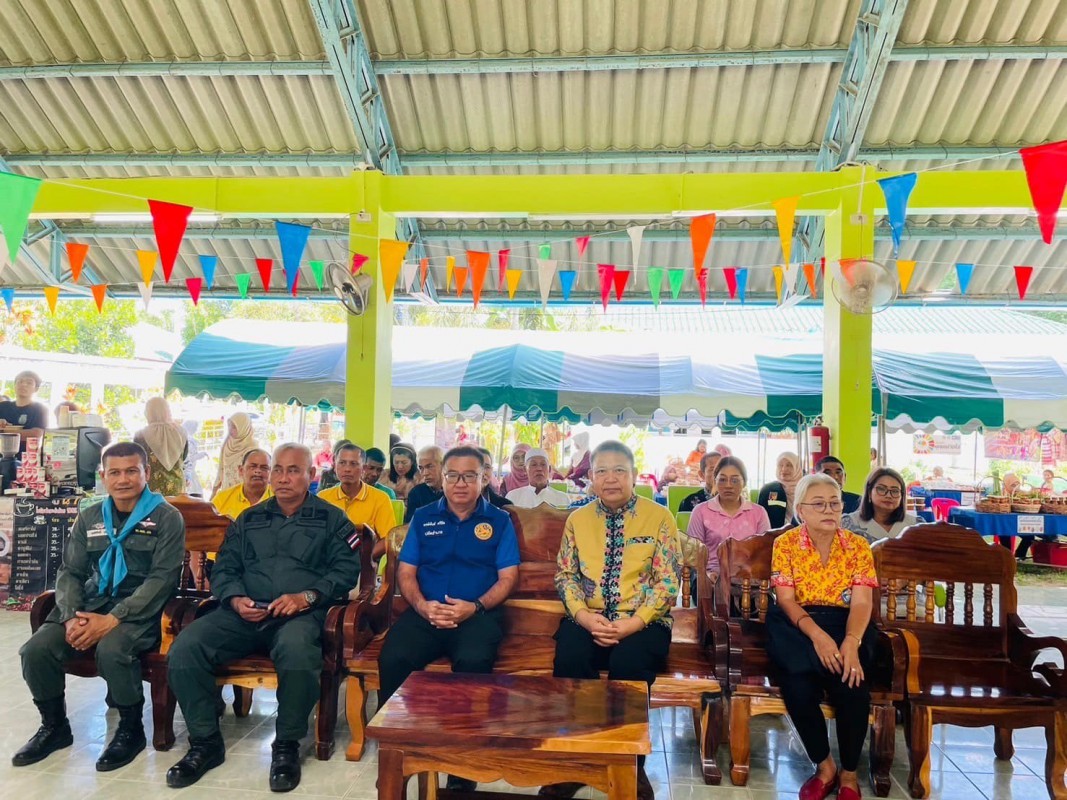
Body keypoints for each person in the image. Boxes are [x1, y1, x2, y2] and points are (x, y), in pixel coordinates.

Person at [166, 444, 360, 792]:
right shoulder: (249, 518)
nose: (284, 478)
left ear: (311, 476)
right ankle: (205, 742)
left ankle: (286, 745)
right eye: (278, 470)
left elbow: (346, 572)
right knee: (185, 648)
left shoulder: (332, 519)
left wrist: (307, 597)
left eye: (294, 470)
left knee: (298, 650)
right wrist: (235, 597)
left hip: (300, 616)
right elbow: (224, 567)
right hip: (244, 613)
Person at [14, 442, 185, 771]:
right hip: (91, 603)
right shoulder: (90, 515)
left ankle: (130, 730)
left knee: (112, 649)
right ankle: (54, 727)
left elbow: (162, 579)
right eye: (115, 473)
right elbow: (71, 572)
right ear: (104, 476)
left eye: (132, 471)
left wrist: (112, 619)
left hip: (142, 608)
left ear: (146, 474)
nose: (124, 480)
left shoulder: (167, 517)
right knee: (35, 651)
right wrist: (69, 617)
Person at [541, 440, 682, 800]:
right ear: (590, 478)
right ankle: (576, 761)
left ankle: (629, 764)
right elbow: (565, 576)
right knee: (570, 659)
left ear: (634, 475)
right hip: (587, 618)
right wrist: (585, 617)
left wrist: (634, 623)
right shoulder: (578, 519)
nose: (611, 478)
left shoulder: (659, 517)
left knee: (629, 663)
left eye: (619, 470)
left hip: (644, 623)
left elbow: (667, 581)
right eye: (602, 471)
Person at [377, 445, 520, 794]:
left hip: (476, 615)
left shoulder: (499, 520)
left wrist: (476, 606)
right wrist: (423, 606)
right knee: (394, 657)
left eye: (469, 476)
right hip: (426, 612)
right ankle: (398, 750)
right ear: (441, 478)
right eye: (452, 475)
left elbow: (508, 577)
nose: (460, 483)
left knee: (473, 661)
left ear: (483, 478)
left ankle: (462, 760)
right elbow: (406, 572)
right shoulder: (425, 517)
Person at [767, 473, 878, 800]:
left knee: (852, 685)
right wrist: (818, 637)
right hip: (799, 625)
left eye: (834, 503)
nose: (829, 510)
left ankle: (849, 773)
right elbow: (786, 600)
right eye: (819, 504)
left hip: (847, 625)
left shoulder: (858, 546)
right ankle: (825, 766)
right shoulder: (785, 544)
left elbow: (862, 602)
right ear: (801, 510)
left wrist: (851, 641)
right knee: (797, 686)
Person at [685, 456, 771, 577]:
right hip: (710, 576)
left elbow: (764, 554)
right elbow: (693, 553)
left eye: (735, 480)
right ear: (715, 481)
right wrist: (707, 574)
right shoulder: (701, 511)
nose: (728, 485)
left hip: (747, 578)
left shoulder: (758, 513)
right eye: (723, 480)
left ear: (744, 482)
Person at [317, 444, 397, 539]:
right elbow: (315, 535)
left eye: (353, 464)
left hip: (366, 552)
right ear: (334, 466)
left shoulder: (380, 499)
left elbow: (387, 538)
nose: (347, 469)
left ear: (363, 468)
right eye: (342, 463)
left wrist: (365, 554)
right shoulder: (323, 497)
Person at [841, 468, 918, 543]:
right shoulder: (849, 524)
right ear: (869, 492)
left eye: (895, 491)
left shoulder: (915, 525)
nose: (888, 495)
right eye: (881, 489)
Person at [133, 397, 188, 497]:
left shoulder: (140, 435)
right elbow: (184, 457)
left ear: (148, 413)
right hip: (178, 489)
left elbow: (136, 463)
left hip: (151, 490)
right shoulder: (181, 432)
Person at [211, 449, 272, 520]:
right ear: (241, 470)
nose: (258, 471)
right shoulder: (222, 499)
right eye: (252, 467)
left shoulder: (280, 499)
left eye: (264, 468)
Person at [212, 412, 258, 496]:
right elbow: (221, 468)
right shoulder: (227, 443)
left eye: (234, 427)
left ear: (243, 427)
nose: (230, 429)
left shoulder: (252, 448)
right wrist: (214, 490)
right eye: (229, 426)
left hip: (244, 494)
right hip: (226, 491)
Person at [0, 370, 48, 449]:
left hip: (28, 457)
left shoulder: (40, 409)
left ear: (36, 389)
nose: (23, 385)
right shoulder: (3, 406)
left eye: (29, 383)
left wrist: (3, 431)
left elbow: (36, 434)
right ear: (14, 385)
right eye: (20, 381)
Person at [506, 448, 570, 508]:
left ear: (549, 469)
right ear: (525, 469)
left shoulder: (563, 499)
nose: (539, 469)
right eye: (534, 464)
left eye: (543, 464)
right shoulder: (512, 497)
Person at [758, 451, 802, 529]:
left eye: (789, 465)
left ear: (797, 467)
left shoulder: (806, 489)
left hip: (802, 536)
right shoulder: (768, 490)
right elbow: (759, 518)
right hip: (774, 536)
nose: (784, 469)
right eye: (780, 465)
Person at [403, 445, 444, 523]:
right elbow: (410, 526)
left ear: (443, 465)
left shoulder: (454, 491)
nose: (425, 473)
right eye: (421, 468)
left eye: (430, 466)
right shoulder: (416, 493)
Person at [182, 420, 206, 497]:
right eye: (195, 428)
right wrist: (200, 455)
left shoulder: (184, 438)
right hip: (188, 473)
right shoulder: (189, 441)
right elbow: (189, 458)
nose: (196, 430)